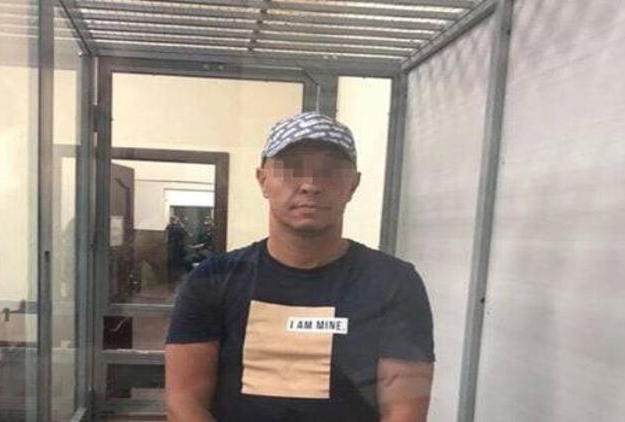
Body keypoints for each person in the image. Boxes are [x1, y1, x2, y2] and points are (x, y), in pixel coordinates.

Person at [165, 111, 435, 421]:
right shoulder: (213, 279)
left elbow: (404, 410)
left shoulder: (394, 282)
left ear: (353, 184)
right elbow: (184, 401)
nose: (310, 185)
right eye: (292, 169)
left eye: (329, 171)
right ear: (263, 179)